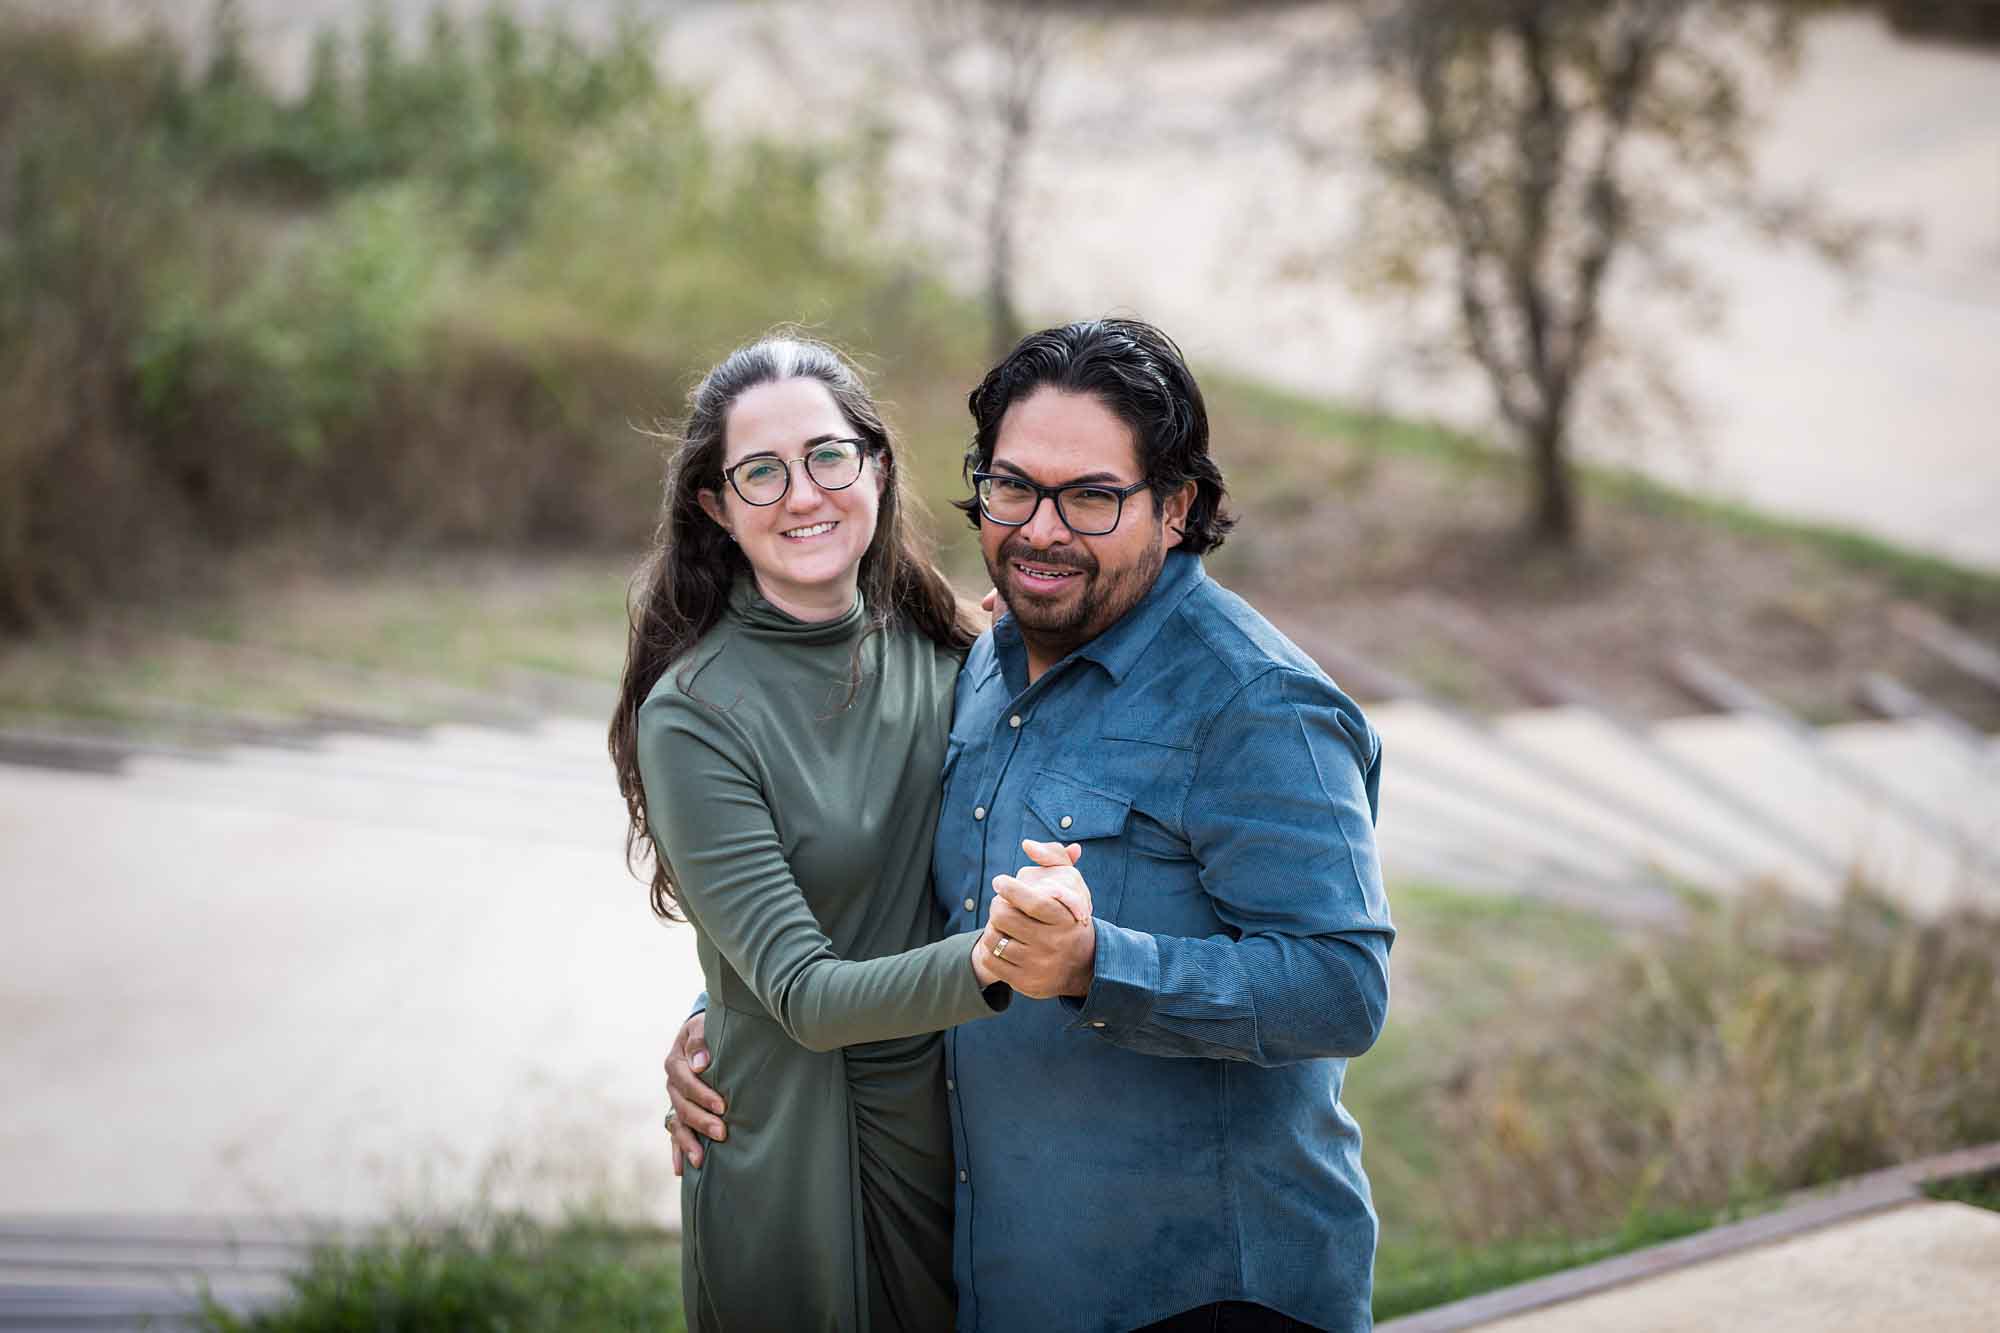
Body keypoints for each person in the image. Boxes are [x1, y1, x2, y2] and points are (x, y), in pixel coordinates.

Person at [667, 318, 1396, 1332]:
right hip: (1004, 1286)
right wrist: (730, 1020)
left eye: (1091, 496)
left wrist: (1100, 963)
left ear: (1175, 507)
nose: (1042, 529)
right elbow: (895, 901)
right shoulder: (979, 664)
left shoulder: (1255, 704)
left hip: (1204, 1292)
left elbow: (1341, 987)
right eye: (1013, 487)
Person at [608, 333, 1088, 1333]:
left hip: (962, 1139)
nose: (802, 494)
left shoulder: (953, 644)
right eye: (759, 472)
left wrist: (712, 998)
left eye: (828, 456)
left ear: (874, 465)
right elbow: (800, 994)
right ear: (715, 506)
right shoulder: (693, 714)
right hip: (797, 1158)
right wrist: (1007, 960)